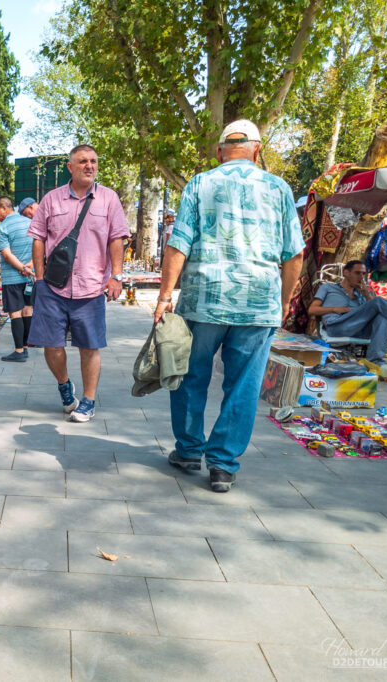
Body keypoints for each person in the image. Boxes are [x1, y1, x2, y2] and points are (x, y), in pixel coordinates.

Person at [155, 120, 304, 493]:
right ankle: (222, 466)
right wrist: (282, 302)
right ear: (257, 149)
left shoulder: (201, 183)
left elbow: (179, 244)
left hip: (205, 300)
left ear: (220, 151)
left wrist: (164, 296)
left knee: (190, 376)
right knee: (243, 386)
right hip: (258, 305)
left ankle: (189, 449)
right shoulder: (279, 188)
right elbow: (294, 254)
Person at [28, 144, 129, 423]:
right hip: (53, 286)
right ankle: (64, 385)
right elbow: (38, 238)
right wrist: (39, 279)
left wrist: (116, 276)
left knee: (89, 345)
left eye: (94, 161)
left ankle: (88, 400)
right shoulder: (51, 199)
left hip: (92, 286)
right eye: (83, 161)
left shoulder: (109, 199)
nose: (90, 166)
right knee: (51, 345)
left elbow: (116, 238)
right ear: (70, 167)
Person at [0, 196, 34, 362]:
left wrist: (21, 268)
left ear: (4, 207)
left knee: (15, 313)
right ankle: (25, 347)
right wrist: (30, 266)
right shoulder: (29, 223)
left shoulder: (3, 227)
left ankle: (18, 351)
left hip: (12, 277)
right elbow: (40, 247)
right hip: (30, 277)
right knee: (28, 310)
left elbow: (7, 254)